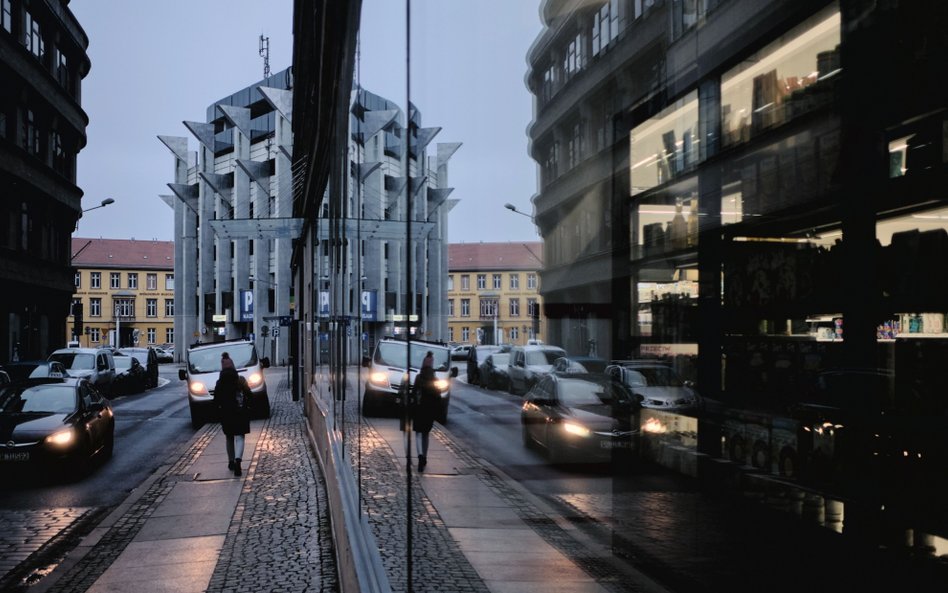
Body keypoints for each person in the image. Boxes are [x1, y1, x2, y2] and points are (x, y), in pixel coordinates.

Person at [213, 352, 252, 477]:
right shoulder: (240, 380)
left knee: (229, 437)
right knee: (240, 437)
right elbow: (249, 395)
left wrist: (217, 412)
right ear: (233, 367)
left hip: (226, 413)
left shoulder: (220, 383)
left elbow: (216, 400)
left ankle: (230, 461)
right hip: (240, 412)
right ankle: (238, 461)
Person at [412, 351, 441, 471]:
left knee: (418, 433)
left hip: (419, 408)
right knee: (426, 434)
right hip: (429, 410)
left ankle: (419, 456)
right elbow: (438, 396)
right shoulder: (434, 379)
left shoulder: (419, 377)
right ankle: (424, 456)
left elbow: (413, 393)